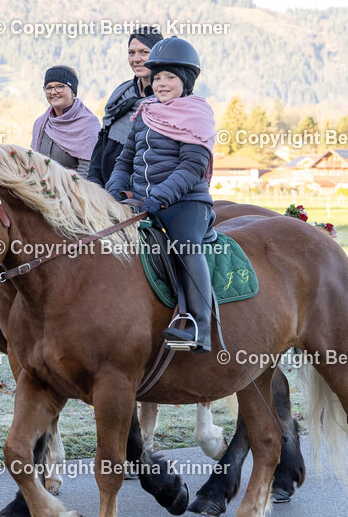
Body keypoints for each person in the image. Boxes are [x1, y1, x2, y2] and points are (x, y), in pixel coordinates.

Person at [105, 37, 216, 352]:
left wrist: (161, 197)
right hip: (143, 203)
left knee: (185, 246)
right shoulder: (144, 113)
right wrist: (113, 191)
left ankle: (199, 328)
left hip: (186, 204)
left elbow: (191, 167)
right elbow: (125, 160)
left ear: (186, 81)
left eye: (170, 77)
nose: (162, 84)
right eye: (157, 78)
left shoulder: (197, 115)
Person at [87, 27, 164, 187]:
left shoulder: (166, 100)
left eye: (144, 52)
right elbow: (103, 142)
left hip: (143, 191)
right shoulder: (121, 94)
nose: (136, 59)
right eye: (131, 53)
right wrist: (93, 180)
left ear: (158, 54)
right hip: (105, 189)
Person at [31, 65, 100, 178]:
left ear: (73, 91)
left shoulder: (88, 124)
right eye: (48, 87)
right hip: (41, 190)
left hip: (75, 191)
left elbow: (87, 171)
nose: (53, 92)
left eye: (60, 86)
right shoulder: (41, 123)